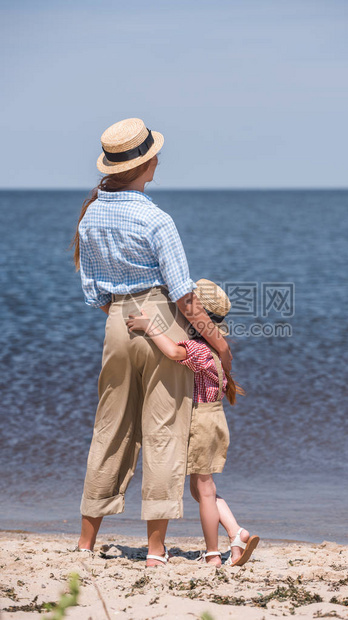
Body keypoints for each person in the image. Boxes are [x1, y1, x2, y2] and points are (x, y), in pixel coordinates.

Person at [70, 118, 232, 567]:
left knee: (110, 428)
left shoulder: (91, 215)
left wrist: (125, 318)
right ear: (144, 164)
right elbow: (184, 295)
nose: (158, 159)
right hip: (161, 314)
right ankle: (156, 552)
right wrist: (219, 345)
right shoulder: (156, 218)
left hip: (118, 321)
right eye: (153, 154)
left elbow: (95, 293)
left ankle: (85, 542)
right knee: (163, 430)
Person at [126, 279, 260, 567]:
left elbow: (174, 353)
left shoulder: (199, 349)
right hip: (214, 421)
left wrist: (149, 327)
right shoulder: (218, 353)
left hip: (198, 421)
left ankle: (213, 554)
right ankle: (237, 533)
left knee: (205, 489)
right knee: (202, 489)